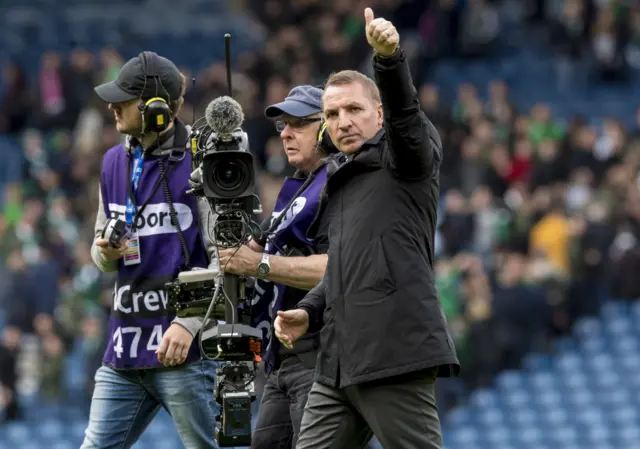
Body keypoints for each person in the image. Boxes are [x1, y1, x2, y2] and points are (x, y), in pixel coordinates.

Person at [274, 9, 460, 449]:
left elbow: (407, 123)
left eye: (355, 109)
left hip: (394, 351)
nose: (343, 121)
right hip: (337, 359)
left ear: (379, 114)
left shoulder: (406, 160)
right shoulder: (340, 177)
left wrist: (390, 61)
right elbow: (347, 262)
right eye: (333, 114)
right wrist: (311, 310)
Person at [217, 85, 375, 449]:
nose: (286, 133)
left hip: (321, 357)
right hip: (283, 359)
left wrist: (258, 263)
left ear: (326, 128)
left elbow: (339, 267)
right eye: (282, 126)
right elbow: (259, 255)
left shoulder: (341, 182)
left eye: (299, 124)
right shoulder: (296, 189)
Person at [82, 51, 218, 449]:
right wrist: (106, 251)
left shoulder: (205, 157)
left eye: (122, 100)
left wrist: (188, 323)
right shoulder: (112, 162)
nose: (111, 107)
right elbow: (100, 256)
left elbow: (228, 259)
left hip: (185, 352)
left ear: (155, 108)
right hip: (124, 347)